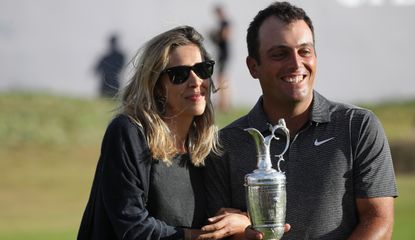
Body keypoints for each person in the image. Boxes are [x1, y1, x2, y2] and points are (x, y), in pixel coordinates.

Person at [204, 1, 398, 239]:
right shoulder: (225, 144)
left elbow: (378, 220)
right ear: (253, 67)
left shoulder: (357, 126)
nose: (296, 64)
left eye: (304, 51)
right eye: (279, 54)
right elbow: (217, 230)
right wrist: (242, 232)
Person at [78, 26, 230, 240]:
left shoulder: (209, 148)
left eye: (202, 69)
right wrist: (199, 236)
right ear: (157, 86)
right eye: (179, 74)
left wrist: (241, 223)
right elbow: (132, 227)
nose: (196, 81)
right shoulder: (128, 133)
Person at [210, 5, 231, 112]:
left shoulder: (225, 23)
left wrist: (214, 35)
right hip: (222, 53)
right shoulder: (222, 24)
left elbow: (225, 36)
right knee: (220, 77)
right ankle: (222, 102)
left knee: (221, 78)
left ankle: (224, 103)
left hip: (224, 54)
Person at [95, 34, 125, 98]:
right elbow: (97, 69)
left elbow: (97, 69)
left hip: (111, 82)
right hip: (108, 82)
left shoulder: (107, 57)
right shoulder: (119, 56)